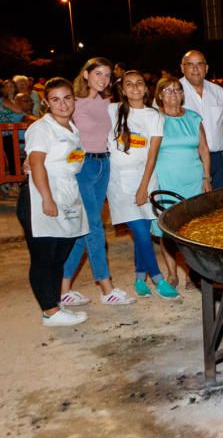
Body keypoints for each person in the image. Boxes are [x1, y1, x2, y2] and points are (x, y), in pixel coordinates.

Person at [62, 57, 135, 307]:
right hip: (84, 166)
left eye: (106, 75)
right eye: (98, 74)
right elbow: (62, 135)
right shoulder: (74, 102)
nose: (103, 79)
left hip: (104, 164)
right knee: (94, 227)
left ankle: (62, 290)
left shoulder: (107, 103)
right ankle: (106, 288)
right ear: (85, 74)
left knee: (84, 231)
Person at [19, 78, 90, 326]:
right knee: (43, 257)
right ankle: (49, 311)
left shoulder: (73, 128)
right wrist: (47, 199)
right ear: (47, 103)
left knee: (59, 256)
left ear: (74, 99)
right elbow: (37, 163)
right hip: (41, 197)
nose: (63, 104)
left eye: (67, 98)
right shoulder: (41, 128)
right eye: (56, 100)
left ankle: (55, 304)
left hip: (67, 196)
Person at [107, 71, 179, 300]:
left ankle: (139, 278)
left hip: (146, 179)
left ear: (146, 89)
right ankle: (157, 278)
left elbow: (152, 155)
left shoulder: (154, 116)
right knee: (139, 232)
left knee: (143, 233)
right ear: (123, 89)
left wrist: (143, 187)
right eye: (129, 84)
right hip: (119, 183)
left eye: (139, 83)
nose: (135, 88)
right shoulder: (111, 111)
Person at [152, 76, 212, 289]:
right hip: (166, 180)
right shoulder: (155, 119)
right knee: (166, 230)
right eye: (167, 90)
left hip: (194, 180)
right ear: (160, 95)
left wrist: (207, 177)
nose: (173, 94)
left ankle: (190, 273)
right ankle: (171, 274)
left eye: (177, 90)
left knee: (192, 230)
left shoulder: (194, 117)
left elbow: (204, 150)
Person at [180, 50, 223, 189]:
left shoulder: (218, 91)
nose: (195, 68)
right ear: (182, 67)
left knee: (218, 206)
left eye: (199, 64)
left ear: (206, 68)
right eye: (190, 64)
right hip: (189, 159)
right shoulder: (173, 91)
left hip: (217, 160)